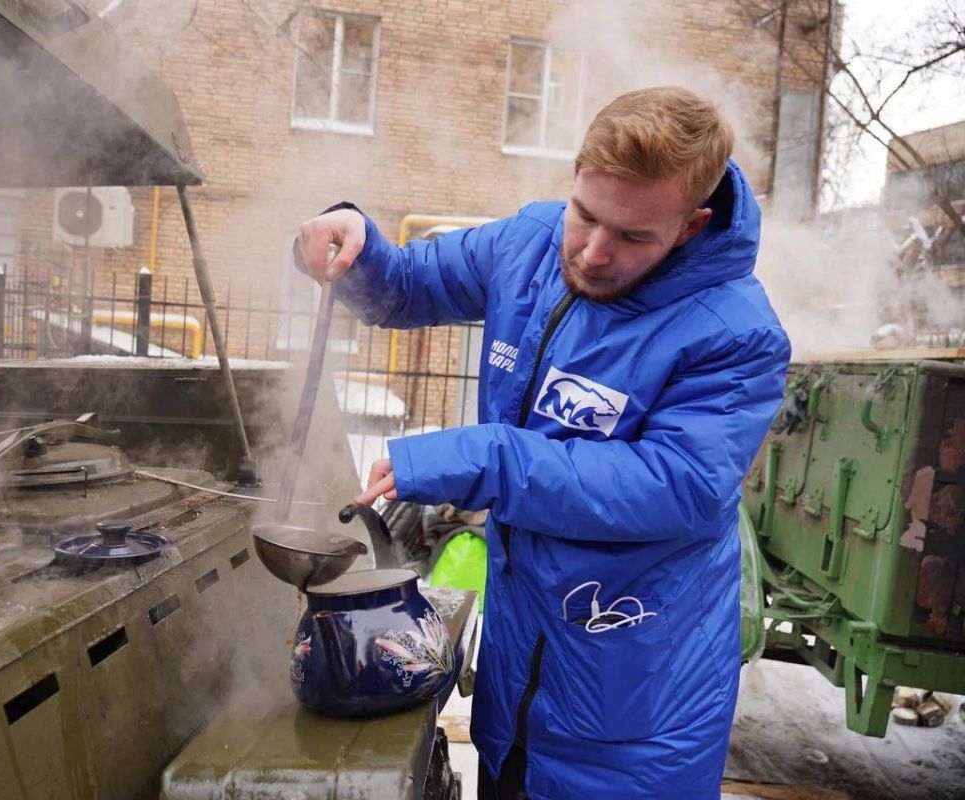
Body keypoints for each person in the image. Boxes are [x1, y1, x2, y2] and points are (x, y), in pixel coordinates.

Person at [295, 86, 790, 799]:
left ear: (690, 226)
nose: (591, 251)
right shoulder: (528, 243)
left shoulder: (736, 334)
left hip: (637, 717)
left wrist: (482, 459)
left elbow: (673, 487)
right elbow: (403, 286)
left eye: (632, 236)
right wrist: (352, 245)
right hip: (519, 678)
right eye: (585, 214)